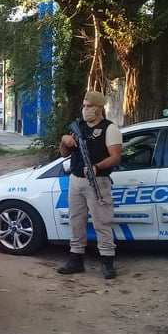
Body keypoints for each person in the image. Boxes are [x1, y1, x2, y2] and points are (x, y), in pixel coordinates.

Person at [57, 90, 123, 279]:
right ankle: (75, 259)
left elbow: (116, 157)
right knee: (76, 221)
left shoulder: (110, 128)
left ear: (99, 108)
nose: (85, 110)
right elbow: (64, 154)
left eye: (89, 106)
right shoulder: (78, 126)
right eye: (84, 106)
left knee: (102, 222)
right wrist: (64, 140)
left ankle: (107, 262)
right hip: (76, 180)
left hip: (98, 180)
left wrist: (96, 167)